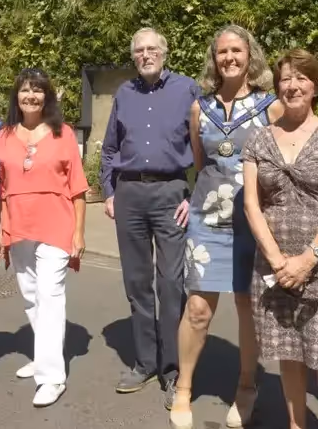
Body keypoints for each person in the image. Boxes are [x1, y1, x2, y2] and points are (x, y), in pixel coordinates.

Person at [169, 25, 281, 429]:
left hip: (254, 220)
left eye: (237, 50)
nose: (229, 58)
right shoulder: (200, 107)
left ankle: (247, 386)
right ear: (214, 60)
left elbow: (280, 164)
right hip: (208, 216)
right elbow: (202, 164)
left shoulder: (272, 106)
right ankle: (183, 388)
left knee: (247, 307)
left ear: (250, 56)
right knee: (198, 308)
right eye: (222, 52)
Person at [242, 49, 318, 429]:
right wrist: (277, 261)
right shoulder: (258, 140)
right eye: (285, 79)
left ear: (316, 86)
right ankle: (297, 425)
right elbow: (251, 206)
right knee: (288, 351)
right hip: (274, 264)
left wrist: (307, 260)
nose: (292, 86)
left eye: (301, 78)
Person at [100, 27, 199, 408]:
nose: (145, 55)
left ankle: (173, 369)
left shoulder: (187, 90)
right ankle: (144, 362)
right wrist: (109, 192)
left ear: (165, 52)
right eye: (139, 50)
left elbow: (203, 145)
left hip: (171, 193)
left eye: (152, 49)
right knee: (137, 283)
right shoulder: (125, 94)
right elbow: (110, 149)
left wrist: (195, 193)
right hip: (129, 195)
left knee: (171, 283)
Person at [0, 68, 88, 408]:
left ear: (47, 96)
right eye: (24, 90)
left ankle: (52, 376)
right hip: (18, 226)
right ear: (16, 96)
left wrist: (78, 233)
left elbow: (78, 189)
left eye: (37, 90)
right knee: (31, 296)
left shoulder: (63, 135)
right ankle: (43, 354)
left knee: (50, 295)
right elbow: (1, 189)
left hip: (56, 226)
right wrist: (2, 231)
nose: (31, 96)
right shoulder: (3, 136)